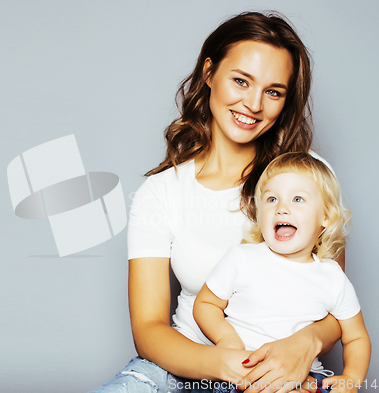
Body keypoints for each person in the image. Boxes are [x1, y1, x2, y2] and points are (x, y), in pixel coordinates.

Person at [91, 11, 344, 393]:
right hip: (182, 372)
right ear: (209, 73)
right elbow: (148, 330)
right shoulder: (160, 193)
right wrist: (227, 365)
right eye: (241, 81)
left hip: (288, 375)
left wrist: (304, 345)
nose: (254, 104)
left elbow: (339, 303)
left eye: (273, 91)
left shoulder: (310, 177)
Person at [194, 152, 371, 393]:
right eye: (271, 199)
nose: (282, 209)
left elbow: (356, 338)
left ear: (326, 217)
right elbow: (205, 304)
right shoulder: (242, 258)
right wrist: (226, 339)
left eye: (298, 199)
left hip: (305, 378)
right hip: (243, 374)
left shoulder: (333, 277)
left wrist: (351, 378)